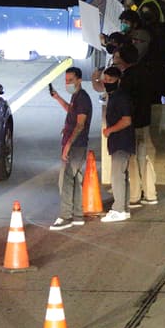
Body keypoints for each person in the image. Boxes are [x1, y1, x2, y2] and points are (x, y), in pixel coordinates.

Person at [50, 67, 92, 230]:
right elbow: (72, 112)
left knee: (66, 181)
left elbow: (80, 124)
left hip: (76, 145)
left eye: (71, 80)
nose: (67, 83)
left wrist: (68, 144)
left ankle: (65, 216)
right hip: (75, 144)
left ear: (79, 80)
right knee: (74, 179)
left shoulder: (82, 98)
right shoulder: (76, 96)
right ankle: (77, 215)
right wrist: (58, 98)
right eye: (66, 80)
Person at [117, 45, 159, 207]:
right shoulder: (145, 72)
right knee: (145, 158)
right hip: (145, 120)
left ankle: (134, 195)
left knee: (132, 159)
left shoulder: (127, 78)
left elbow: (125, 101)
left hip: (132, 123)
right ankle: (150, 193)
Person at [99, 66, 134, 222]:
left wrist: (110, 130)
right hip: (118, 142)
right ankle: (124, 208)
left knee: (117, 177)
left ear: (118, 80)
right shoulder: (113, 96)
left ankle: (118, 209)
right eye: (105, 80)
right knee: (122, 176)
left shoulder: (121, 97)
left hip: (122, 141)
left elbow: (126, 120)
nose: (107, 83)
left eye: (110, 80)